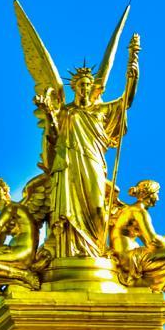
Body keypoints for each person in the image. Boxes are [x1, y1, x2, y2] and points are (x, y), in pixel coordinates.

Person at [36, 56, 138, 259]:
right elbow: (53, 137)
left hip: (94, 162)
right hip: (68, 164)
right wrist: (48, 114)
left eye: (87, 85)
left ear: (92, 87)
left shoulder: (101, 110)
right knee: (67, 210)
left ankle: (96, 250)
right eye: (81, 85)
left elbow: (126, 101)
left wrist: (133, 74)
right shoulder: (66, 112)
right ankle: (70, 252)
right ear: (74, 88)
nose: (84, 88)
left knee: (98, 208)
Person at [109, 180, 165, 293]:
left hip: (128, 256)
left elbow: (149, 242)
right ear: (148, 194)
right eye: (156, 194)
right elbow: (152, 241)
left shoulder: (131, 210)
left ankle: (145, 284)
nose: (157, 198)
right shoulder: (139, 212)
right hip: (129, 258)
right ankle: (147, 284)